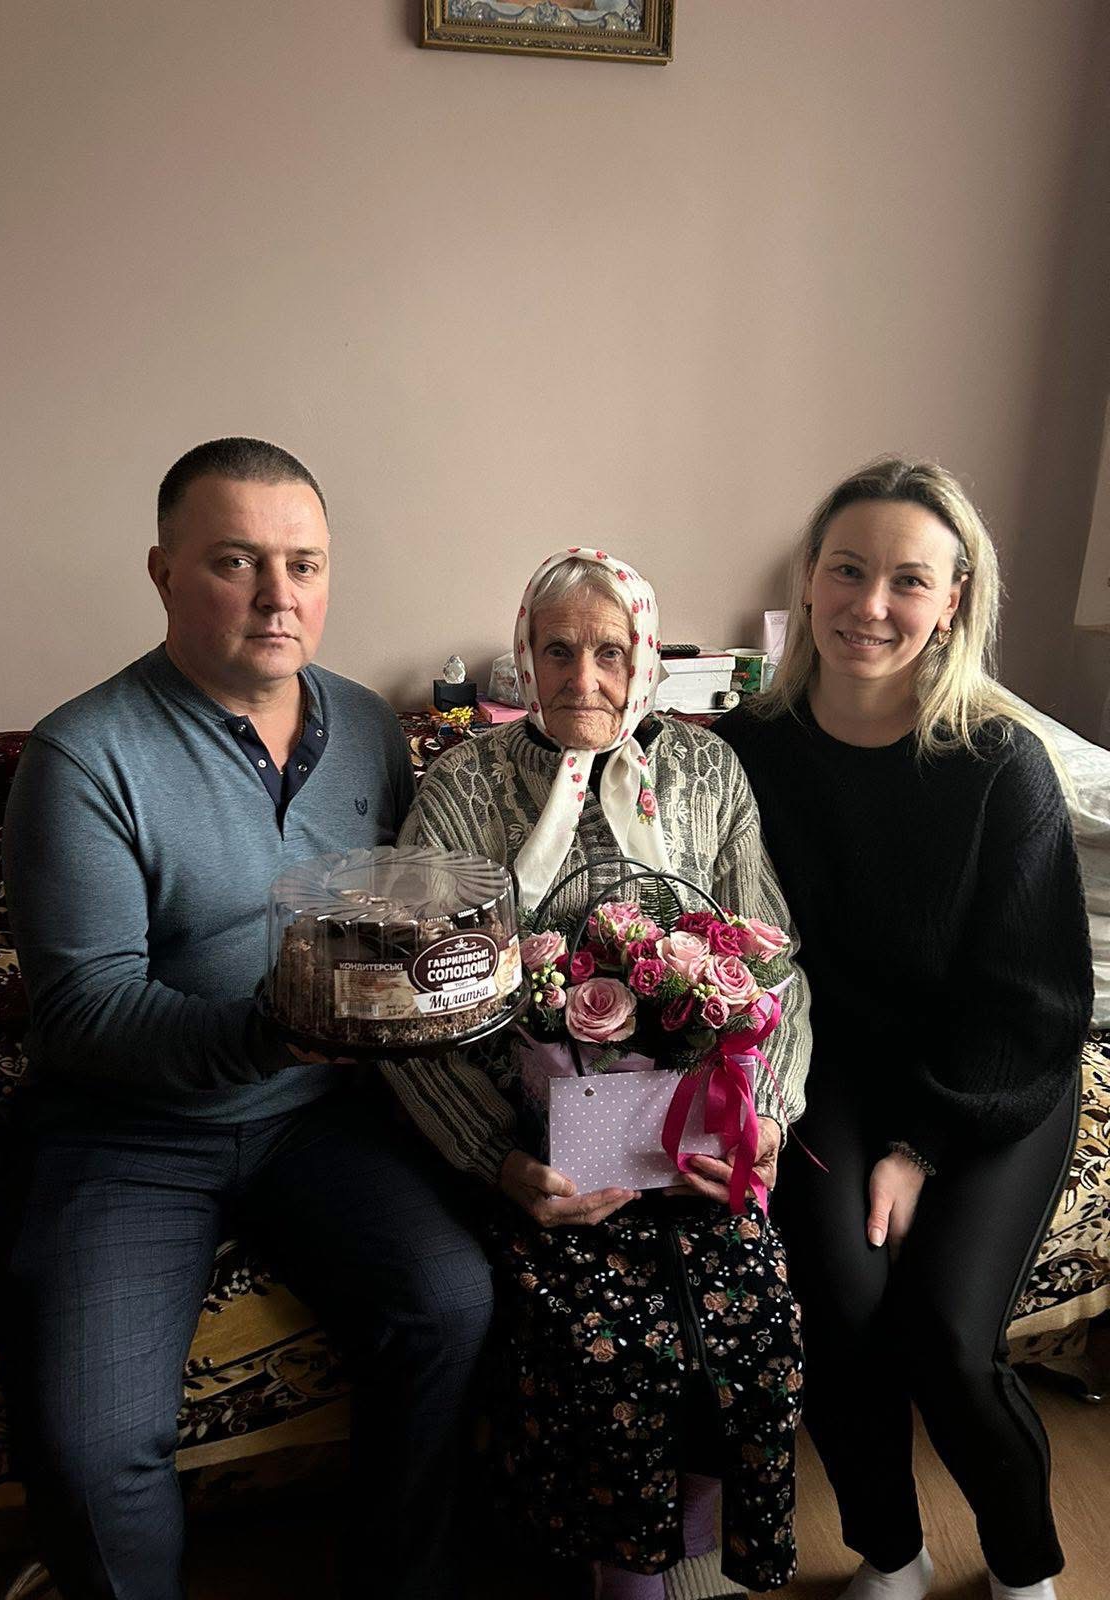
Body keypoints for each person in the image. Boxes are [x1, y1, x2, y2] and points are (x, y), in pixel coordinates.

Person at [0, 437, 492, 1600]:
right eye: (236, 561)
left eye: (303, 564)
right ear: (163, 572)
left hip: (315, 1118)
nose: (279, 595)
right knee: (89, 1447)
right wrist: (271, 1029)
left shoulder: (368, 726)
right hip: (126, 1131)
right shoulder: (84, 753)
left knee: (450, 1302)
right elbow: (81, 1010)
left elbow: (409, 915)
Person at [383, 548, 813, 1600]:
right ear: (524, 657)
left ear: (646, 657)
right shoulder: (465, 782)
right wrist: (497, 1159)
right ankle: (622, 1574)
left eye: (610, 652)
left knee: (757, 1314)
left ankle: (694, 1538)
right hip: (541, 1148)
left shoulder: (707, 770)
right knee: (600, 1343)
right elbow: (412, 997)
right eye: (559, 650)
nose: (584, 677)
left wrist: (763, 1115)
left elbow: (777, 963)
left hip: (694, 1134)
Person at [714, 458, 1093, 1600]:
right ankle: (892, 1550)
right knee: (837, 1304)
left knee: (944, 1334)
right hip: (830, 1074)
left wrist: (920, 1146)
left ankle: (1023, 1565)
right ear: (809, 577)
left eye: (908, 581)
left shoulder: (1000, 766)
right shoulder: (746, 752)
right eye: (847, 569)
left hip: (993, 1077)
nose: (870, 605)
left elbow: (1033, 1002)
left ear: (953, 600)